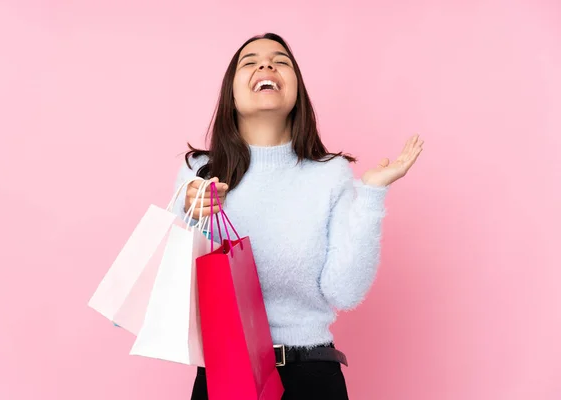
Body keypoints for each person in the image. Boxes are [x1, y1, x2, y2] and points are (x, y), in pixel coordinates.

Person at [171, 32, 423, 400]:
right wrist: (190, 207)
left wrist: (370, 195)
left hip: (313, 375)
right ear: (231, 93)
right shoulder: (201, 170)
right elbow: (181, 283)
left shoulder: (331, 173)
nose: (266, 65)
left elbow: (345, 292)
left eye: (281, 60)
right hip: (226, 374)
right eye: (250, 61)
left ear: (297, 92)